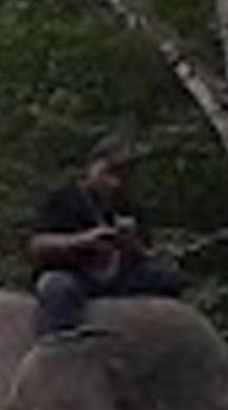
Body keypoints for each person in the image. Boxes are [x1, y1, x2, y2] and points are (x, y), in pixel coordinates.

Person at [27, 135, 189, 340]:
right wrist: (83, 240)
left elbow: (146, 253)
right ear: (92, 166)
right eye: (109, 173)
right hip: (74, 272)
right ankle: (59, 345)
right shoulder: (65, 198)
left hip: (117, 275)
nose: (115, 183)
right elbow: (37, 244)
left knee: (170, 280)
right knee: (58, 287)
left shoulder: (128, 205)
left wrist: (132, 244)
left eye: (124, 175)